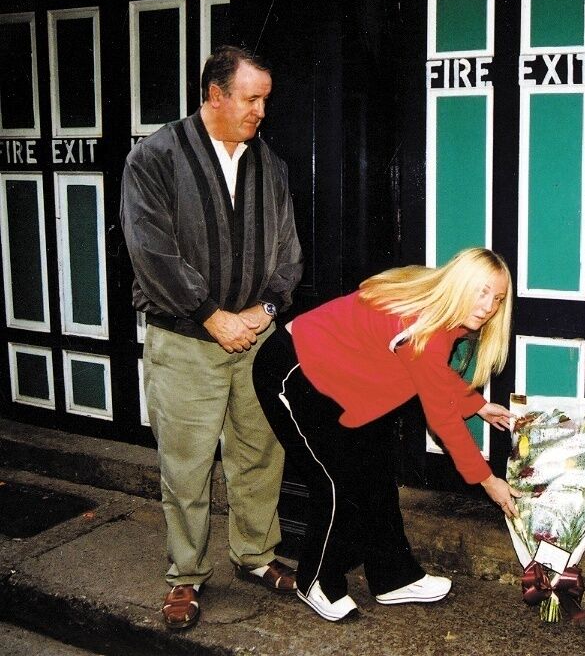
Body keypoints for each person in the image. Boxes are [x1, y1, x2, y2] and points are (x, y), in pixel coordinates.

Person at [121, 45, 304, 630]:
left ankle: (254, 554)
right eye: (251, 99)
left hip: (256, 336)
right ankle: (186, 576)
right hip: (184, 340)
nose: (261, 111)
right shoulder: (154, 158)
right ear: (215, 95)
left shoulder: (267, 164)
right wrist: (210, 315)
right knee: (187, 465)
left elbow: (289, 254)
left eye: (266, 100)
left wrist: (265, 308)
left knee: (259, 453)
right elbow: (152, 253)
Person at [251, 247, 522, 621]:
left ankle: (393, 577)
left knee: (376, 476)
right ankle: (316, 580)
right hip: (294, 370)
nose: (489, 306)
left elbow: (433, 376)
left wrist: (475, 404)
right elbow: (441, 415)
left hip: (341, 381)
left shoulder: (443, 312)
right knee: (335, 482)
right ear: (460, 283)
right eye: (482, 291)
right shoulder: (420, 325)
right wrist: (488, 481)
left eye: (498, 298)